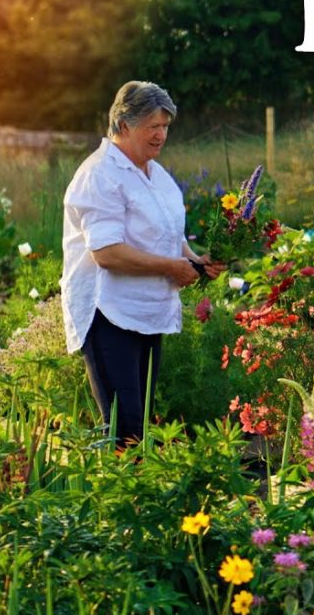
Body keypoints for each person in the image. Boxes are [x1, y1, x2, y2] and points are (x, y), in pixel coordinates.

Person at [61, 81, 224, 447]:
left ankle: (141, 501)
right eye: (153, 126)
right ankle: (121, 501)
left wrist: (194, 261)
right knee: (125, 430)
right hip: (109, 314)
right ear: (124, 125)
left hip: (144, 311)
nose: (161, 135)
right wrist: (170, 268)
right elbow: (107, 253)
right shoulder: (100, 174)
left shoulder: (155, 174)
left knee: (141, 425)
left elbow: (166, 234)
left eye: (165, 126)